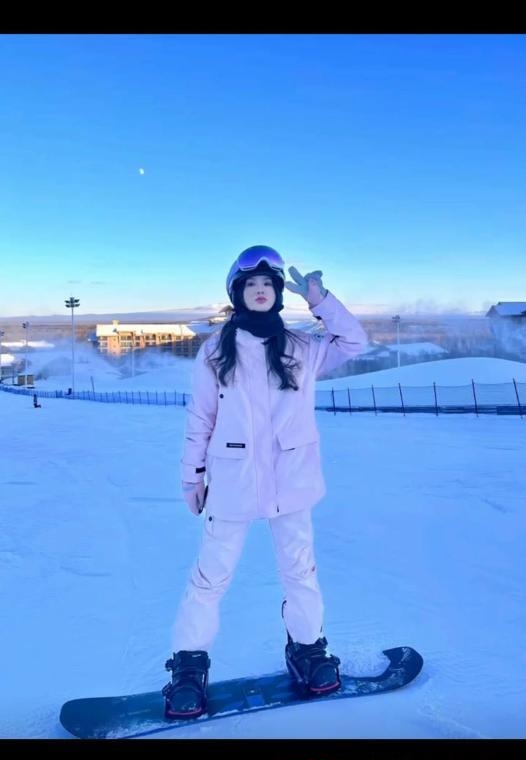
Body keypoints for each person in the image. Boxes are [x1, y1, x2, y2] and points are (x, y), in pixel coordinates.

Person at [162, 245, 368, 718]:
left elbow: (354, 342)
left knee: (300, 571)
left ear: (278, 292)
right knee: (210, 578)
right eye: (251, 284)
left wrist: (320, 300)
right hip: (231, 482)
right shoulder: (216, 351)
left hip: (292, 481)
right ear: (237, 293)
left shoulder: (303, 347)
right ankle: (188, 668)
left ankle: (308, 650)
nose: (260, 290)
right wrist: (192, 477)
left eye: (267, 284)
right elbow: (200, 418)